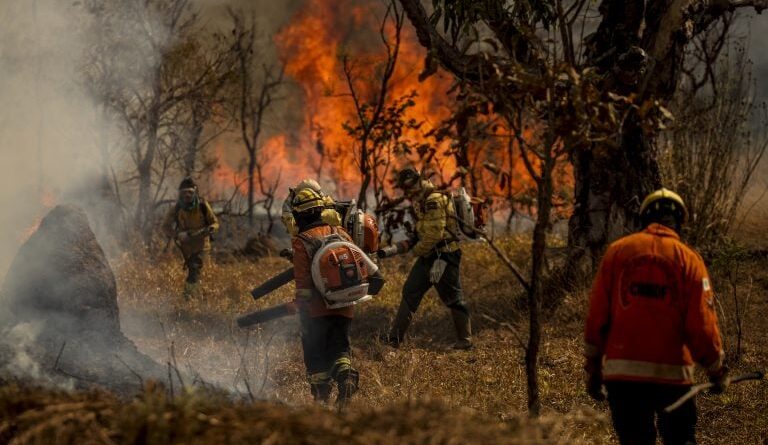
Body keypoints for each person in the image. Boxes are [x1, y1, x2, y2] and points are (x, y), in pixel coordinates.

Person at [584, 188, 729, 445]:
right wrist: (716, 371)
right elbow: (702, 325)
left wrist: (593, 370)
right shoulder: (690, 261)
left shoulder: (616, 252)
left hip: (622, 379)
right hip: (673, 380)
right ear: (679, 222)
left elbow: (597, 318)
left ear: (644, 218)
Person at [290, 186, 383, 406]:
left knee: (315, 353)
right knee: (340, 348)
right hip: (345, 304)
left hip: (316, 310)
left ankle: (321, 397)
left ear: (299, 215)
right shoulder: (340, 231)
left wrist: (299, 305)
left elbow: (303, 283)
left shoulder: (301, 241)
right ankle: (347, 376)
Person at [378, 167, 472, 350]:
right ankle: (394, 340)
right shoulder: (421, 200)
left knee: (453, 297)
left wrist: (414, 251)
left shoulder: (433, 200)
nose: (408, 191)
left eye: (410, 185)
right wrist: (399, 247)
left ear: (419, 181)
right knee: (410, 291)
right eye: (405, 187)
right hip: (430, 255)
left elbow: (434, 234)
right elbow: (421, 232)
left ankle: (465, 340)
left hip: (445, 255)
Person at [162, 177, 219, 299]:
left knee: (195, 270)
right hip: (186, 248)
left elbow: (215, 222)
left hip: (202, 246)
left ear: (195, 193)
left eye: (190, 192)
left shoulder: (203, 206)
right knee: (194, 273)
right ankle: (199, 298)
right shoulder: (177, 208)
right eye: (184, 193)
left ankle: (188, 298)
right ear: (180, 194)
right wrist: (177, 234)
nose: (187, 196)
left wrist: (210, 229)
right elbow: (165, 227)